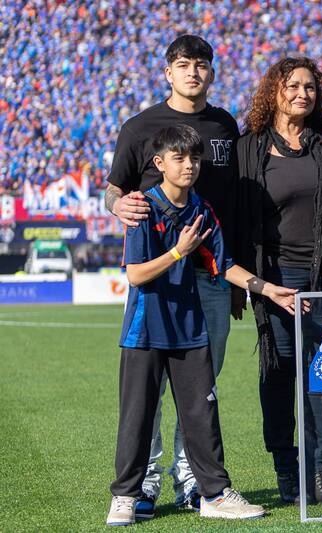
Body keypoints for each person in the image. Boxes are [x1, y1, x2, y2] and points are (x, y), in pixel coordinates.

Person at [107, 124, 301, 526]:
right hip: (145, 330)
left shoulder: (201, 210)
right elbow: (136, 275)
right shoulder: (143, 207)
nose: (189, 165)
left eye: (194, 158)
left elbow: (224, 265)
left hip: (190, 329)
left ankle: (214, 493)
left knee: (202, 413)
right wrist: (179, 252)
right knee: (138, 414)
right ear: (159, 163)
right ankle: (125, 494)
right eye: (179, 158)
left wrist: (268, 290)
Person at [104, 35, 241, 516]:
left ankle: (195, 482)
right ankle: (144, 484)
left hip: (212, 275)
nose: (193, 72)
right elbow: (114, 189)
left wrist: (237, 280)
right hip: (160, 280)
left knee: (199, 388)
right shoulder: (140, 127)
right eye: (183, 65)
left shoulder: (224, 125)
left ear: (212, 72)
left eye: (201, 64)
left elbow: (232, 200)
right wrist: (116, 205)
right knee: (150, 391)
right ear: (168, 72)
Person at [235, 57, 322, 504]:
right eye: (293, 86)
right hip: (276, 279)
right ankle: (287, 468)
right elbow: (238, 219)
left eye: (310, 87)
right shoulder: (249, 148)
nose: (303, 93)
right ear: (273, 91)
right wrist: (245, 283)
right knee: (279, 375)